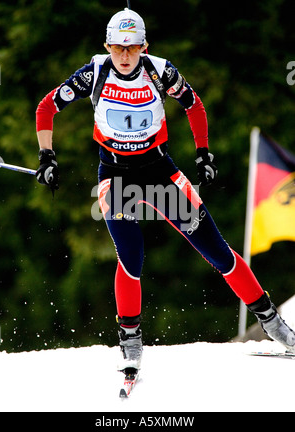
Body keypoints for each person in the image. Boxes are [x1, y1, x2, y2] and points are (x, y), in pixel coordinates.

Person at [35, 8, 295, 372]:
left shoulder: (160, 71)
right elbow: (46, 108)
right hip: (116, 176)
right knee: (131, 255)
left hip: (161, 172)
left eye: (133, 48)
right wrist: (47, 156)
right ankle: (130, 341)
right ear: (107, 46)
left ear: (144, 46)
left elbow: (194, 104)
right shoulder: (94, 73)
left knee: (217, 251)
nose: (125, 56)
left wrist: (203, 152)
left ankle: (273, 324)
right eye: (118, 48)